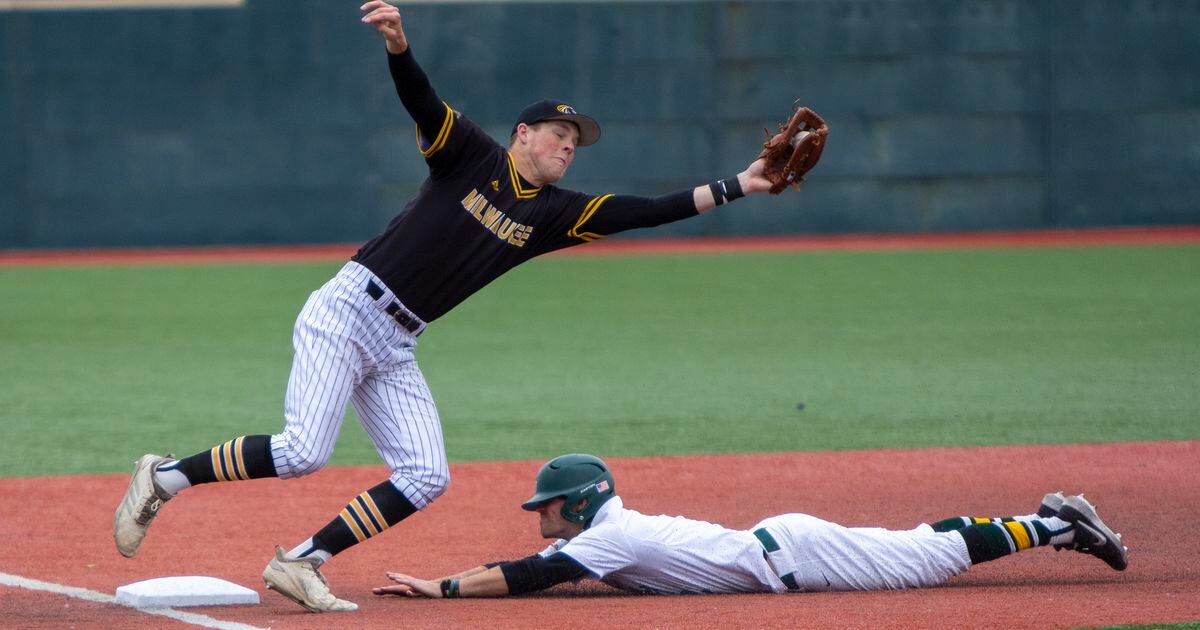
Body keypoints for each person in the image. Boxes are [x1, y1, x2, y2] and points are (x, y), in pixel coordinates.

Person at [113, 0, 786, 613]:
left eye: (576, 139)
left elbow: (646, 210)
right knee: (302, 452)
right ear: (523, 133)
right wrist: (399, 48)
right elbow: (423, 103)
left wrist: (741, 184)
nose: (569, 144)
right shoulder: (470, 156)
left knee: (426, 475)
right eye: (558, 132)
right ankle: (165, 476)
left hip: (397, 341)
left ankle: (302, 561)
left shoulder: (558, 215)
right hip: (348, 309)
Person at [372, 453, 1129, 599]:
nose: (539, 516)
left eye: (544, 505)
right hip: (787, 547)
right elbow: (543, 570)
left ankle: (1056, 526)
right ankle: (1050, 521)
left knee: (931, 559)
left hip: (795, 554)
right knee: (919, 545)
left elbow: (529, 577)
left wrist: (442, 588)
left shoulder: (606, 538)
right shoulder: (605, 533)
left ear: (575, 502)